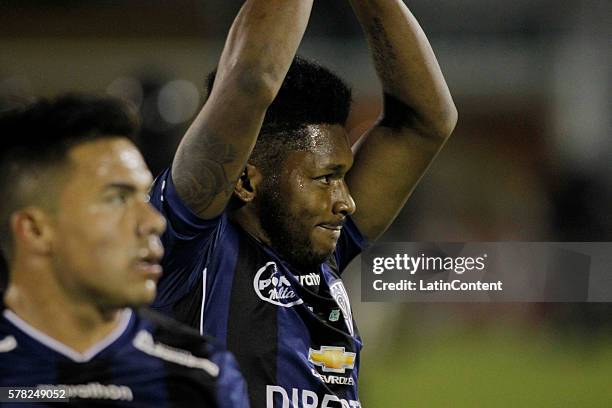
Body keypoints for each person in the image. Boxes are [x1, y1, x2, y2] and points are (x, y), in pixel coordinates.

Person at [150, 0, 457, 406]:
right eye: (325, 178)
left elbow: (427, 122)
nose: (346, 201)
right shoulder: (187, 245)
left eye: (343, 177)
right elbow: (252, 81)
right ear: (244, 180)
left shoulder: (315, 245)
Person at [0, 95, 249, 407]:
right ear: (35, 230)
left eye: (144, 197)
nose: (153, 222)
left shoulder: (202, 374)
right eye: (117, 198)